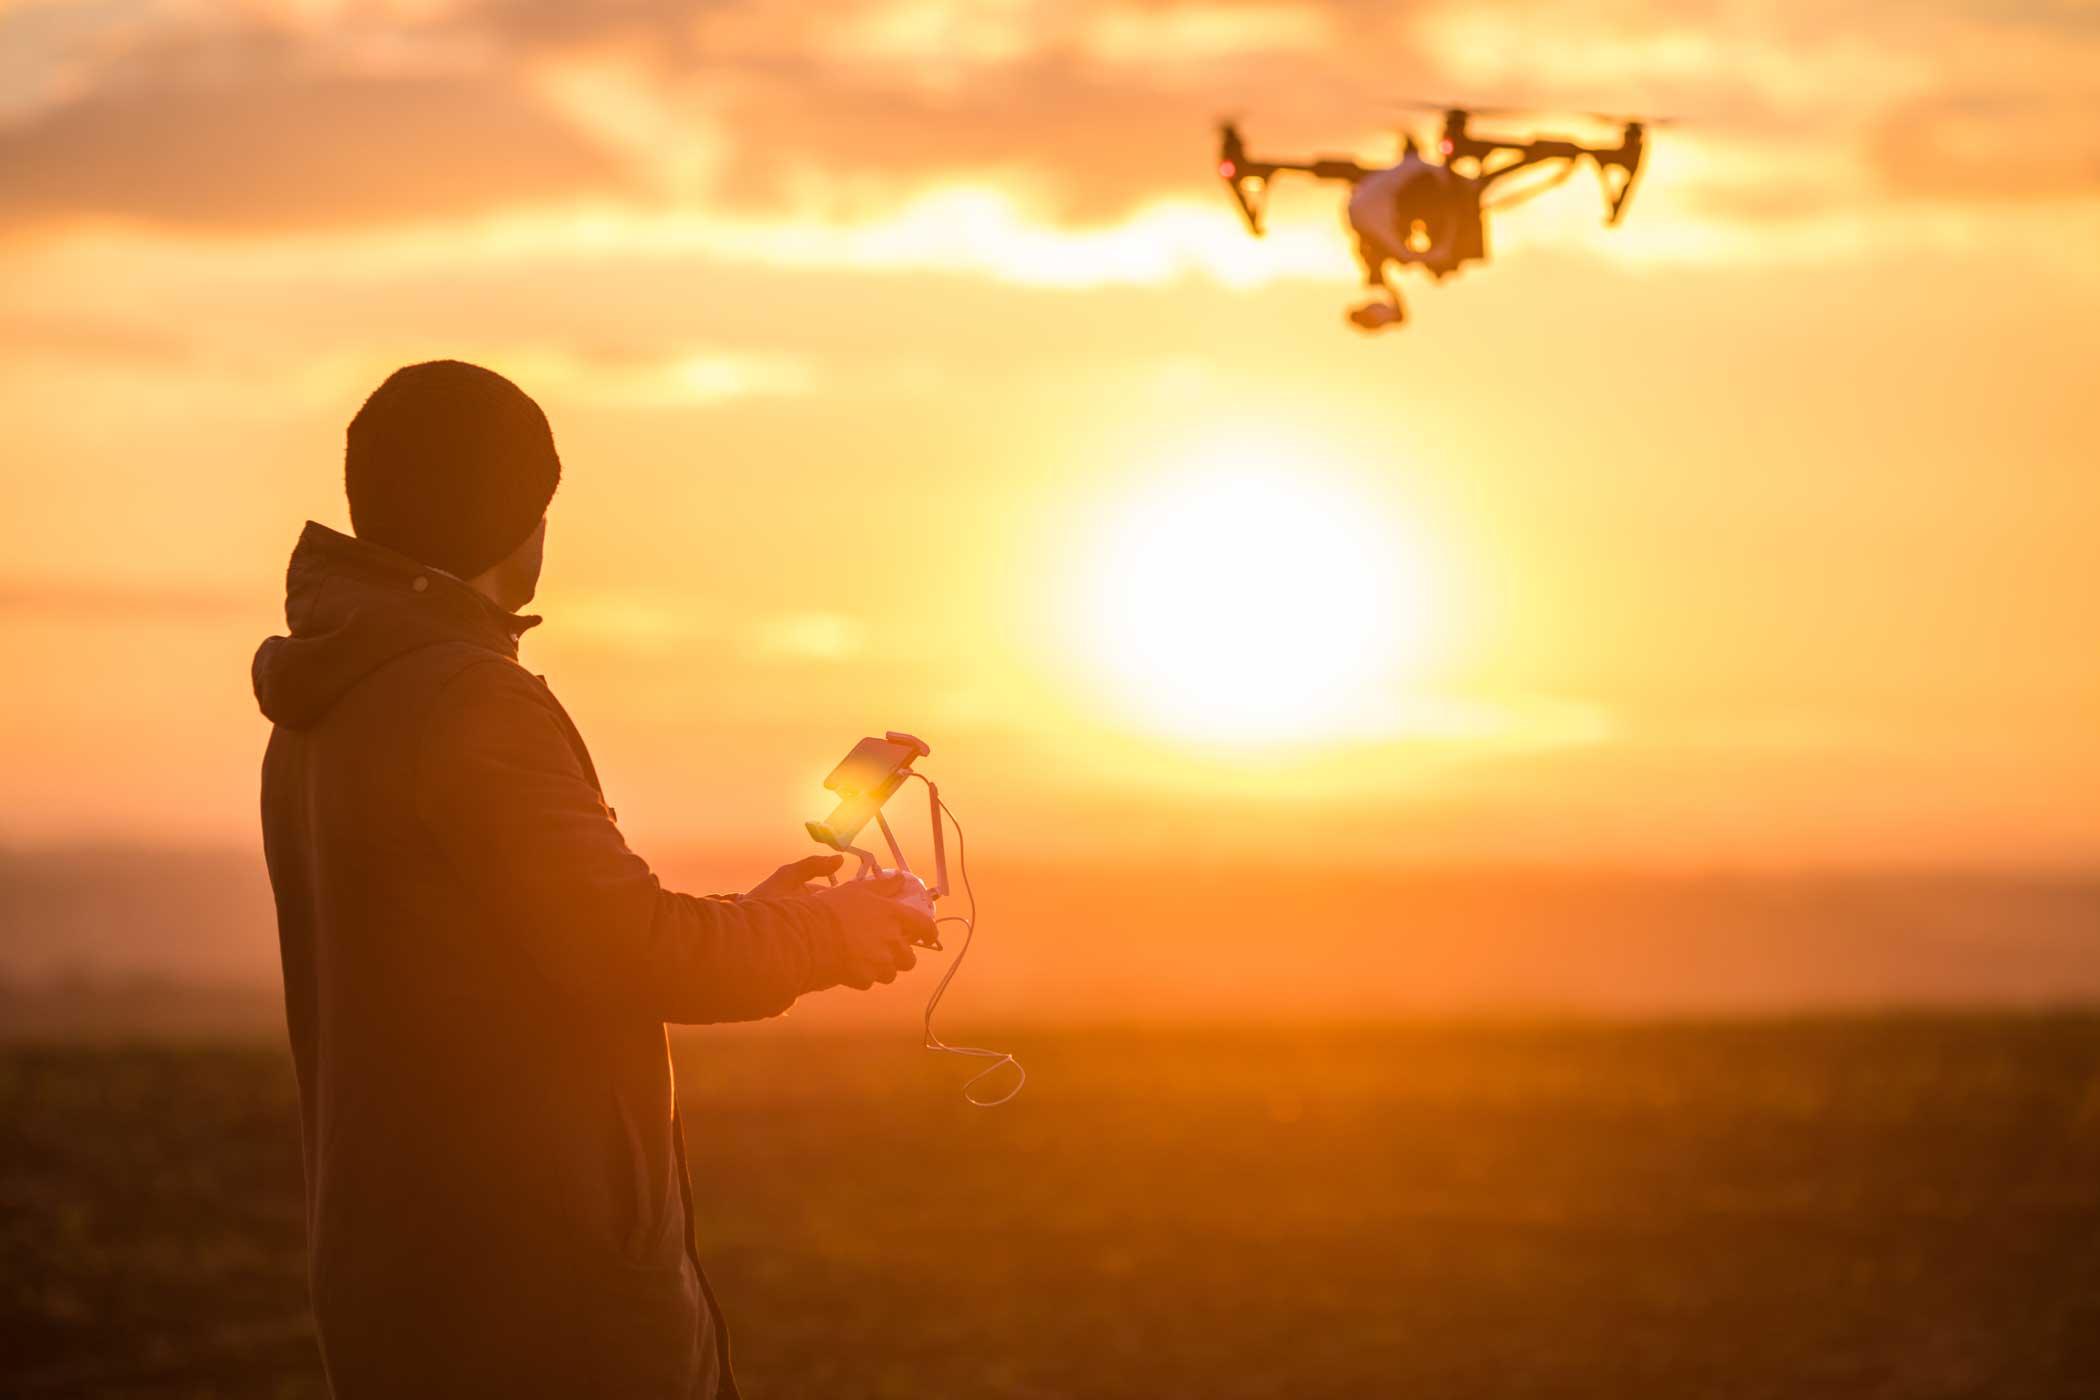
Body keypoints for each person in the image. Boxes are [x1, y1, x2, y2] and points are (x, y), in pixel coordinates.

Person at [253, 360, 930, 1398]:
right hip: (539, 1303)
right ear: (514, 517)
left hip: (399, 1285)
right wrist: (831, 935)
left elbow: (544, 937)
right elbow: (633, 949)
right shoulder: (471, 704)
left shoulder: (325, 707)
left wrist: (772, 918)